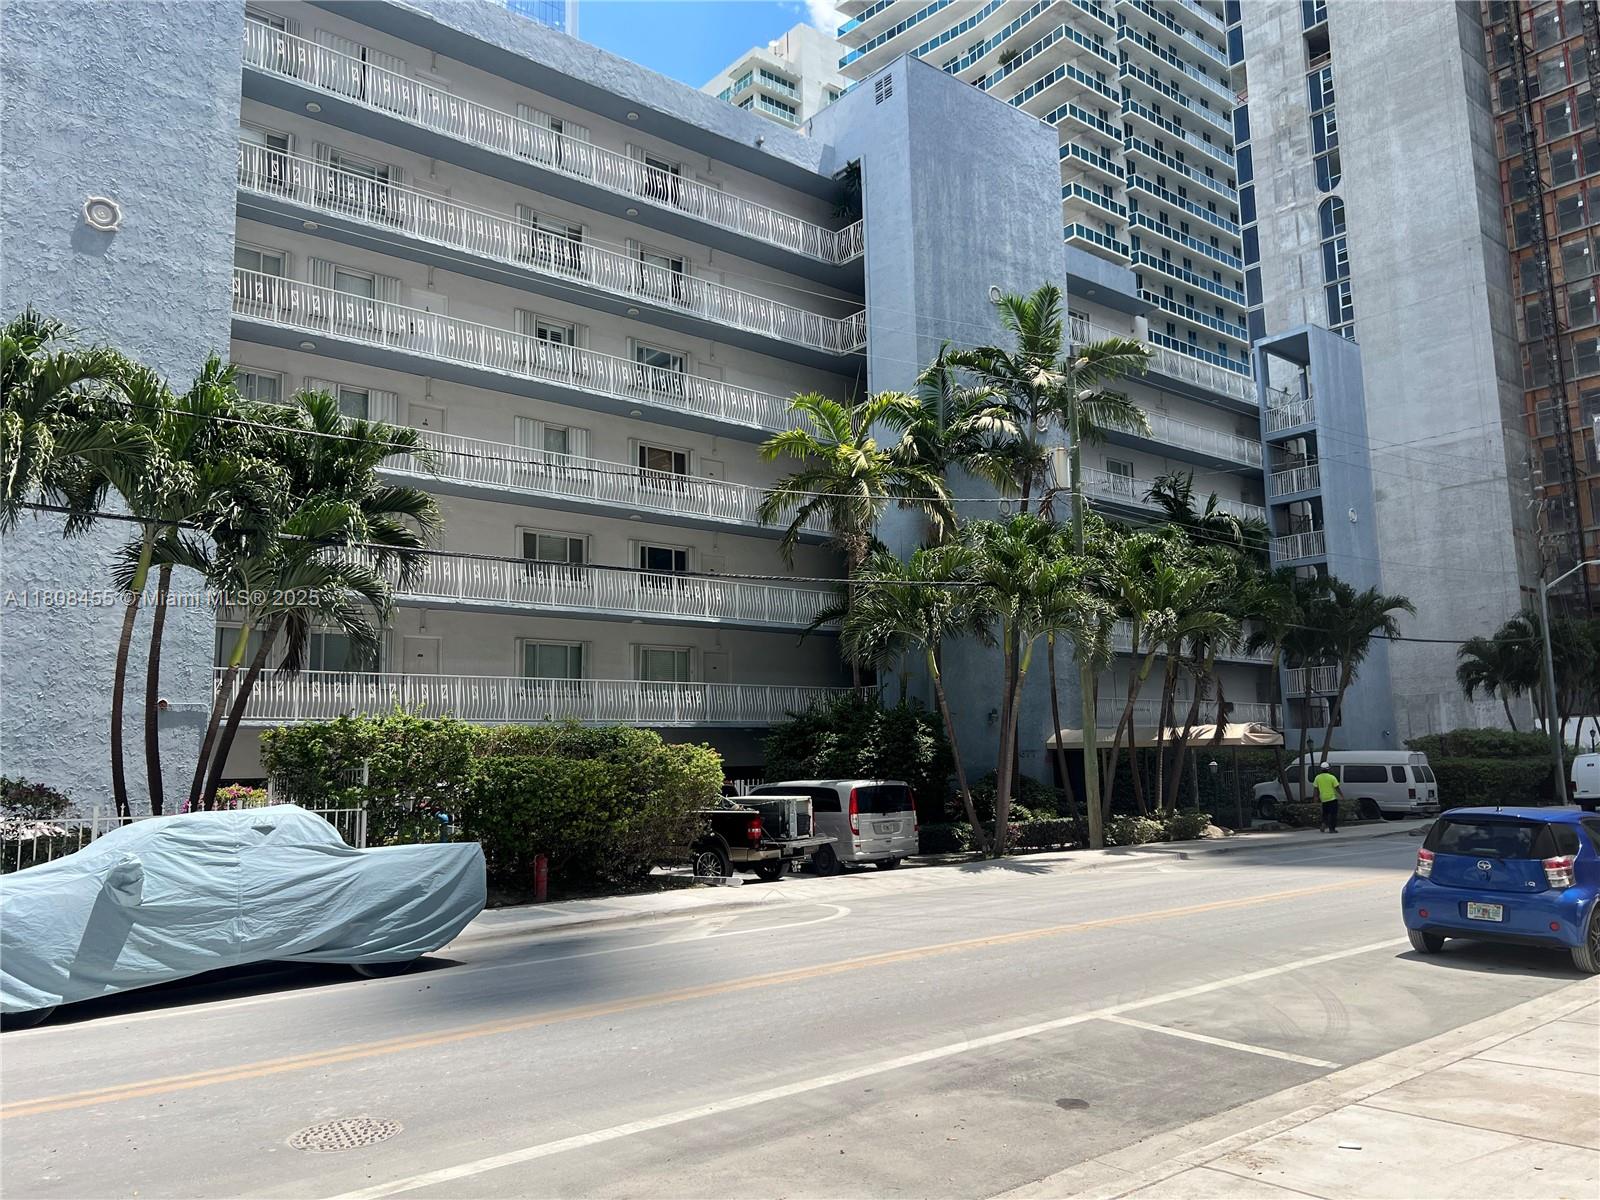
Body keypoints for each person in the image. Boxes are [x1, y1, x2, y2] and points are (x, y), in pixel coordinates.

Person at [1312, 762, 1343, 833]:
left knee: (1325, 813)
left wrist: (1315, 798)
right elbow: (1337, 787)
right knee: (1333, 814)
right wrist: (1341, 795)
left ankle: (1323, 823)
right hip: (1332, 799)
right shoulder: (1332, 777)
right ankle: (1332, 829)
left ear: (1321, 769)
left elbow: (1316, 789)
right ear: (1328, 769)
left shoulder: (1317, 778)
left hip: (1323, 799)